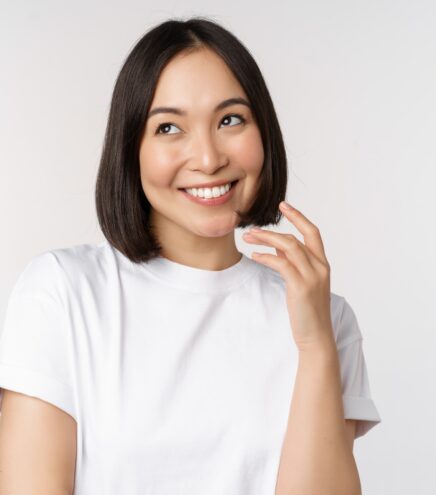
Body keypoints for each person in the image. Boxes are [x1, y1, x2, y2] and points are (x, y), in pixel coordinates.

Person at [0, 17, 381, 494]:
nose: (207, 157)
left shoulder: (328, 321)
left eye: (230, 120)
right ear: (130, 148)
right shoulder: (62, 294)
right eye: (169, 127)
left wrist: (315, 343)